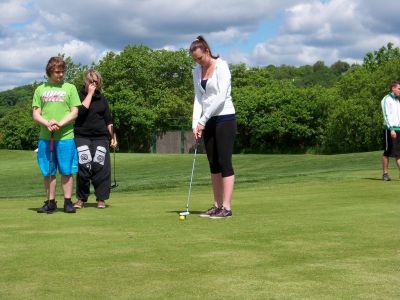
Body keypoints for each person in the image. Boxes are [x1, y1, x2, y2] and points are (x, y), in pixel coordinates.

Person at [189, 36, 237, 219]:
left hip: (225, 117)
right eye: (195, 60)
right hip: (206, 121)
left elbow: (220, 97)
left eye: (200, 58)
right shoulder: (196, 72)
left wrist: (203, 119)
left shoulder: (222, 66)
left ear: (207, 52)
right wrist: (196, 123)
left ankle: (226, 207)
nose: (198, 62)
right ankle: (217, 206)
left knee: (224, 162)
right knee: (213, 164)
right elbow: (198, 99)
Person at [32, 56, 81, 213]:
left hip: (66, 137)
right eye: (57, 72)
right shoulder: (40, 89)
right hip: (46, 138)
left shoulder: (70, 88)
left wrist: (60, 123)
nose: (60, 75)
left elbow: (75, 112)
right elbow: (36, 114)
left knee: (66, 171)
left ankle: (68, 202)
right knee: (49, 171)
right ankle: (50, 202)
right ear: (49, 72)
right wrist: (47, 123)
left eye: (62, 72)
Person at [73, 69, 118, 209]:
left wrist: (113, 138)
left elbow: (108, 121)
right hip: (82, 136)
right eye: (91, 81)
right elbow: (80, 112)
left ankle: (101, 198)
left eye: (96, 82)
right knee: (84, 165)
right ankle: (81, 199)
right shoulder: (78, 96)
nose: (93, 84)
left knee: (101, 166)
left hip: (100, 137)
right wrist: (90, 94)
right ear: (85, 81)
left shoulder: (102, 99)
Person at [381, 80, 400, 181]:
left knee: (399, 153)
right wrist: (391, 129)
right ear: (393, 88)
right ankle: (385, 174)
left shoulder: (398, 100)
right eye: (399, 88)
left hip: (399, 129)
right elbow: (386, 115)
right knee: (387, 152)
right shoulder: (386, 99)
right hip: (390, 129)